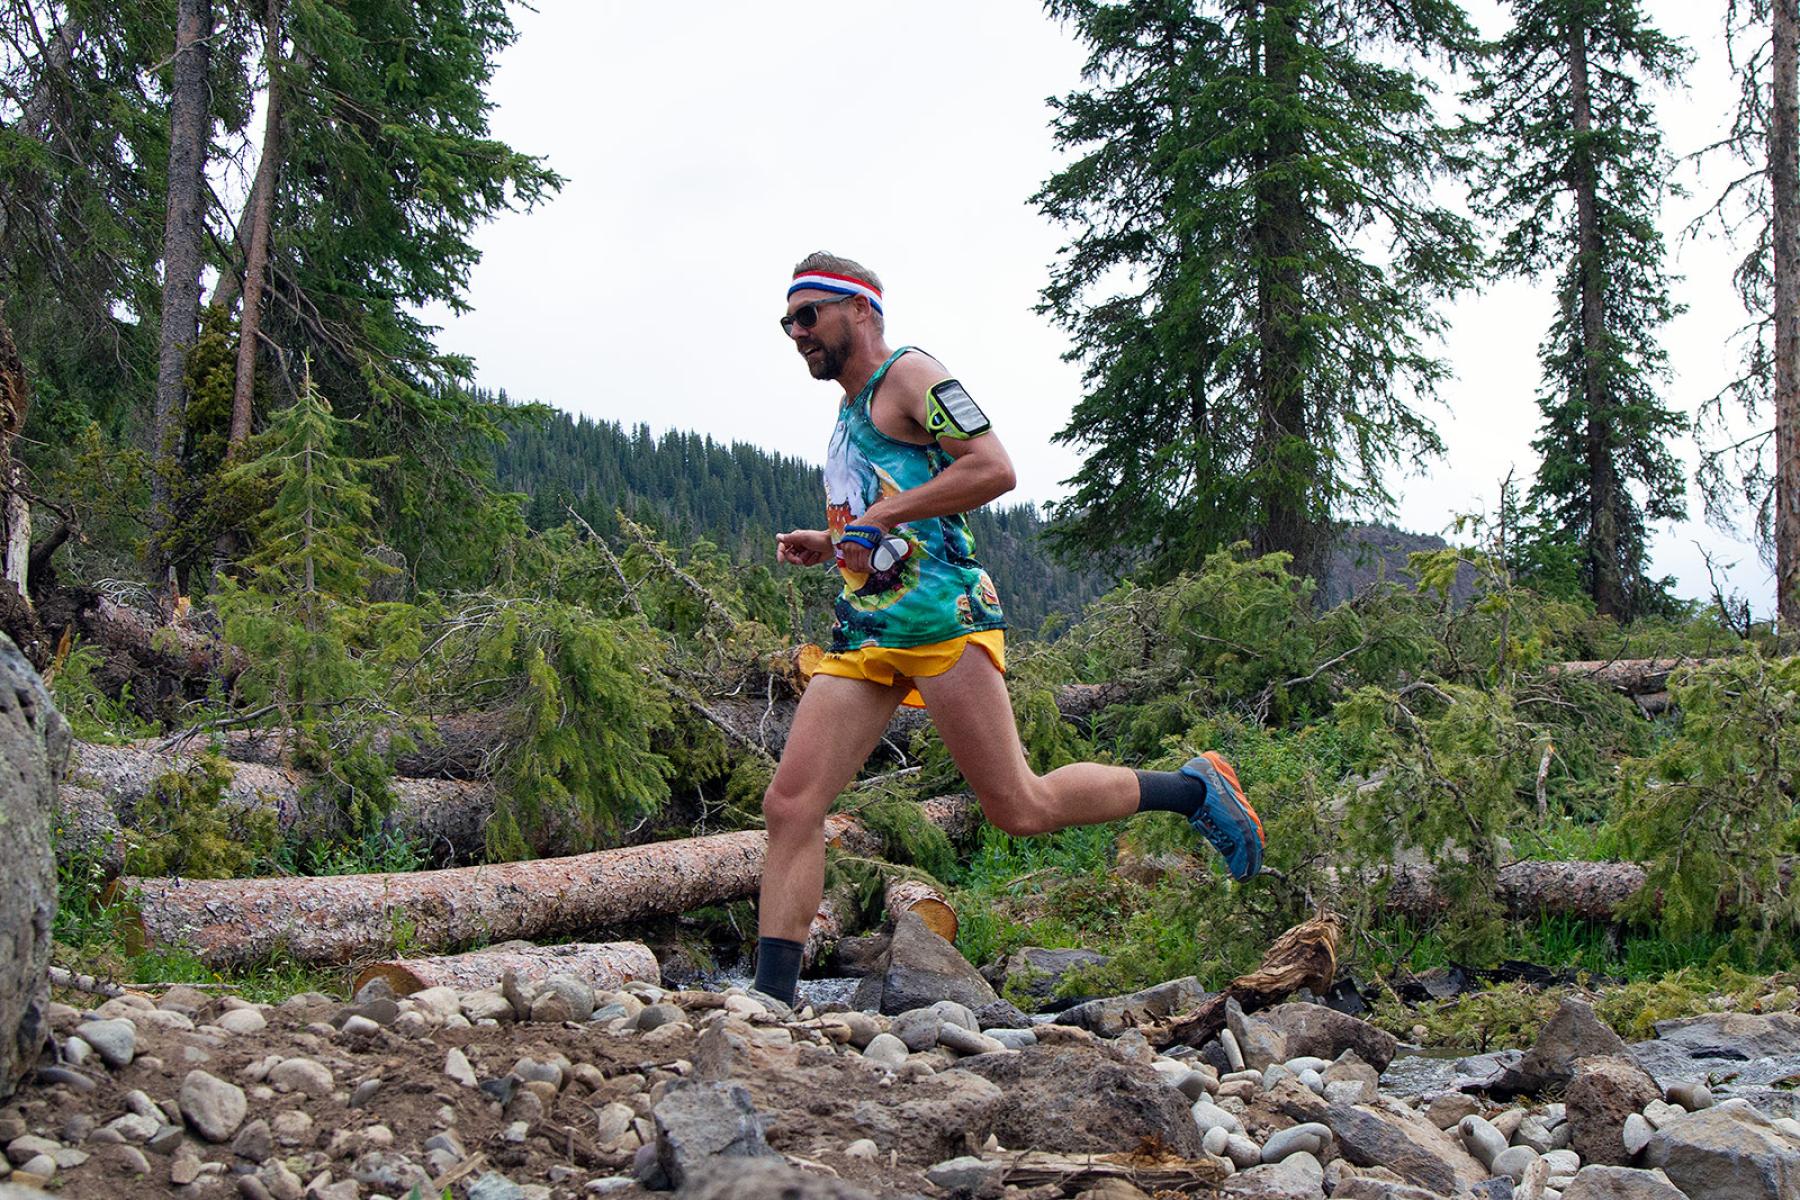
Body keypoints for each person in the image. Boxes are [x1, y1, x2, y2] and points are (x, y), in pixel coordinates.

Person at [754, 251, 1264, 1006]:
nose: (797, 332)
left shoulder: (911, 376)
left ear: (859, 308)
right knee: (791, 805)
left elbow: (993, 468)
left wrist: (881, 515)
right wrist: (832, 541)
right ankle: (770, 1003)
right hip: (867, 629)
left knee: (1019, 806)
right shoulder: (850, 407)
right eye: (787, 321)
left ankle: (1192, 790)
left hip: (942, 622)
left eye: (809, 315)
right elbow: (888, 508)